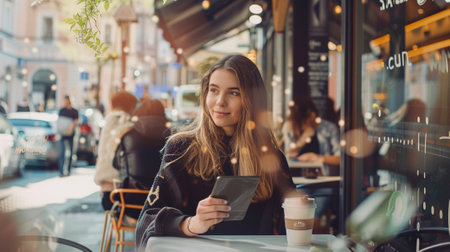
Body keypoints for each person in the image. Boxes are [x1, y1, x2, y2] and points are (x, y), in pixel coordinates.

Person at [135, 55, 298, 249]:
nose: (220, 101)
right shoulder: (181, 149)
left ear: (252, 100)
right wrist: (191, 224)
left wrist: (299, 210)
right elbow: (146, 221)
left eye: (234, 93)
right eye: (214, 90)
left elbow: (289, 225)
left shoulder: (270, 157)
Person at [112, 99, 171, 219]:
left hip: (130, 204)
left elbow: (116, 164)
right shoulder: (173, 136)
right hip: (164, 206)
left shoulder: (127, 135)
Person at [94, 91, 138, 211]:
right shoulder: (124, 121)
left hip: (106, 189)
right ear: (131, 107)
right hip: (120, 190)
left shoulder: (108, 122)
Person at [281, 96, 340, 176]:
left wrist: (318, 158)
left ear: (312, 114)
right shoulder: (291, 130)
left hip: (324, 180)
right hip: (297, 180)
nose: (302, 125)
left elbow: (340, 158)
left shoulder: (328, 129)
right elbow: (287, 157)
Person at [58, 95, 78, 177]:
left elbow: (76, 121)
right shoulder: (62, 110)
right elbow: (59, 121)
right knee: (61, 153)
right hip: (63, 134)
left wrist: (71, 126)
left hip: (71, 134)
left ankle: (68, 170)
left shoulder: (74, 111)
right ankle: (61, 171)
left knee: (70, 153)